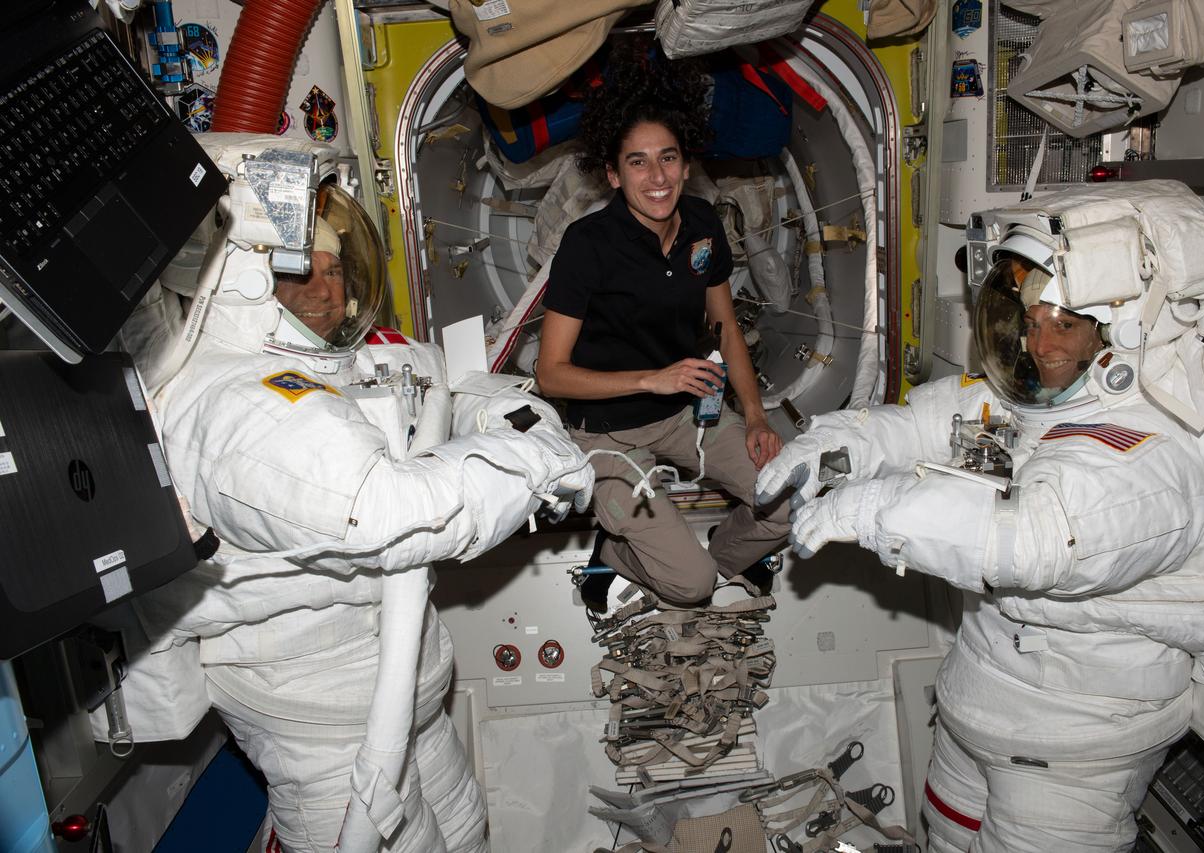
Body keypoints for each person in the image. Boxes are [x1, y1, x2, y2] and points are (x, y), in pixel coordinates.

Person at [117, 165, 594, 853]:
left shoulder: (345, 363)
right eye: (300, 273)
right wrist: (541, 460)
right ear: (248, 284)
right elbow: (388, 513)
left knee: (465, 834)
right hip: (329, 739)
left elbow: (446, 393)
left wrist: (513, 413)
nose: (327, 289)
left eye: (336, 270)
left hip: (407, 704)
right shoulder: (234, 407)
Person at [757, 193, 1204, 852]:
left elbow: (1032, 539)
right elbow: (921, 426)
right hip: (978, 706)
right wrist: (836, 446)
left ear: (1122, 332)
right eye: (1030, 318)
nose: (1041, 344)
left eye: (1065, 326)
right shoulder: (1031, 397)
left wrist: (874, 509)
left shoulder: (1147, 453)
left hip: (1071, 749)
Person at [536, 46, 789, 607]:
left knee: (782, 506)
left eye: (669, 157)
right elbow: (550, 375)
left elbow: (724, 325)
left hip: (684, 415)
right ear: (612, 172)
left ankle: (720, 560)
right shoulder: (588, 246)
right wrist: (653, 378)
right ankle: (617, 555)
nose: (658, 177)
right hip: (604, 432)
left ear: (686, 161)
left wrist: (753, 417)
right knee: (690, 587)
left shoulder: (701, 222)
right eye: (638, 162)